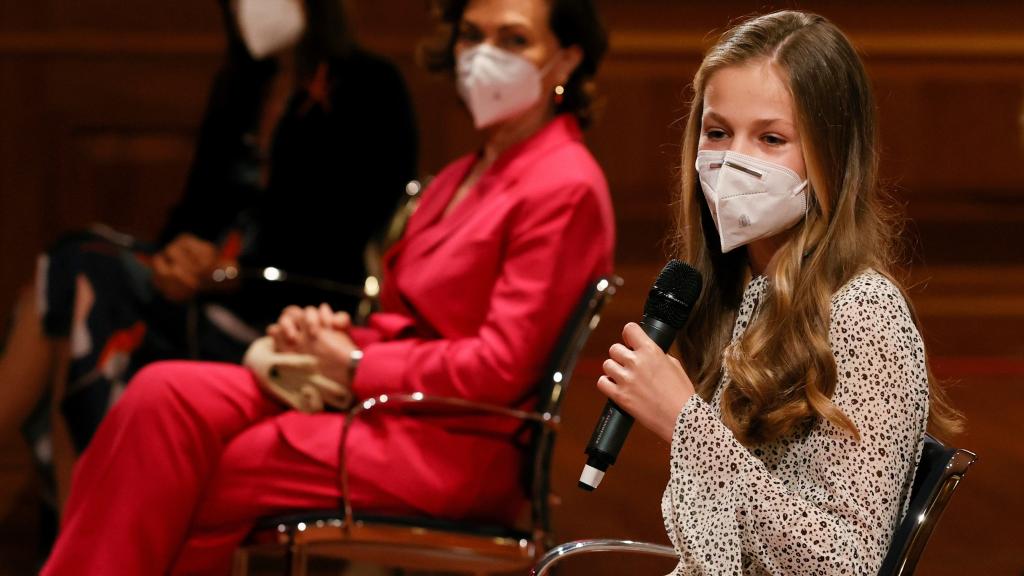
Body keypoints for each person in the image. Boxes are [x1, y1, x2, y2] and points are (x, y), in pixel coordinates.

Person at [41, 0, 613, 573]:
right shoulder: (467, 171)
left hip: (452, 444)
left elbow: (500, 367)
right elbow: (407, 320)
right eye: (471, 35)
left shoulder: (563, 185)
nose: (484, 55)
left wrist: (355, 361)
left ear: (564, 60)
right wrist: (325, 337)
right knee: (159, 397)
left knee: (219, 467)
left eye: (514, 40)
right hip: (384, 406)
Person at [0, 0, 417, 514]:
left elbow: (342, 238)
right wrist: (179, 256)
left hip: (287, 314)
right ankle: (81, 532)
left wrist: (226, 275)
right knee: (72, 266)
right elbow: (194, 212)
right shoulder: (242, 85)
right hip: (200, 294)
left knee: (78, 283)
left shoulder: (370, 87)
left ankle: (76, 532)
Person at [596, 11, 962, 575]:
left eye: (771, 139)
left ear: (833, 158)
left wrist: (685, 424)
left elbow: (849, 564)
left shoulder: (866, 314)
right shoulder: (740, 295)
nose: (734, 161)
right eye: (717, 133)